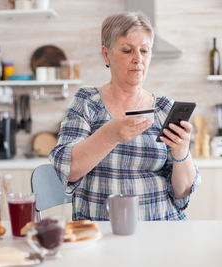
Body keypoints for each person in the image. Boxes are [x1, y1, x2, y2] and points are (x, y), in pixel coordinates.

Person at [50, 12, 201, 221]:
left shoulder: (165, 108)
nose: (138, 59)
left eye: (144, 50)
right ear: (106, 54)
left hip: (162, 229)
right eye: (127, 50)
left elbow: (182, 192)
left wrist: (181, 152)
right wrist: (109, 135)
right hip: (102, 232)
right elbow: (69, 170)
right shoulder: (87, 102)